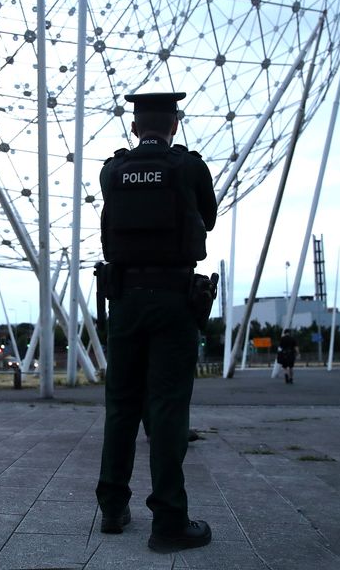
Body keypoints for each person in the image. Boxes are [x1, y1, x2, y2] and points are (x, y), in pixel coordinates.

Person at [94, 91, 218, 553]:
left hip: (124, 301)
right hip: (173, 300)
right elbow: (206, 215)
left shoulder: (113, 171)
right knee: (166, 407)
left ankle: (112, 507)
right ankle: (168, 520)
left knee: (121, 404)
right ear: (175, 125)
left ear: (133, 127)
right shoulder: (188, 168)